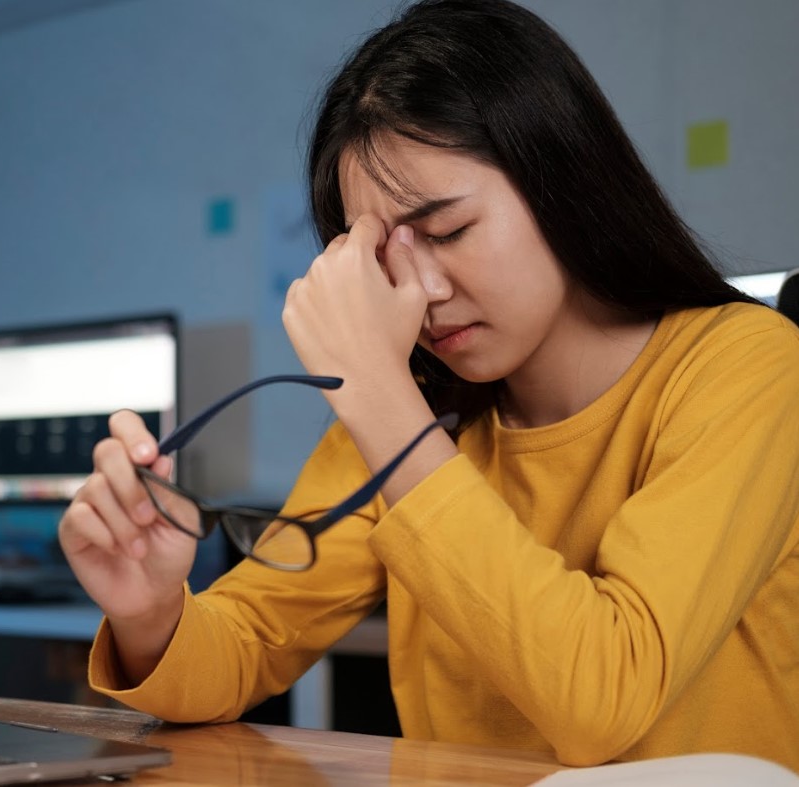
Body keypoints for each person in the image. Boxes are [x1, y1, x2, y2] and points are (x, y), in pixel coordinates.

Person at [57, 0, 799, 770]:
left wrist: (384, 406)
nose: (420, 294)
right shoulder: (411, 412)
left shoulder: (746, 367)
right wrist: (149, 613)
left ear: (563, 178)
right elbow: (246, 644)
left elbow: (602, 698)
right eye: (381, 259)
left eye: (447, 232)